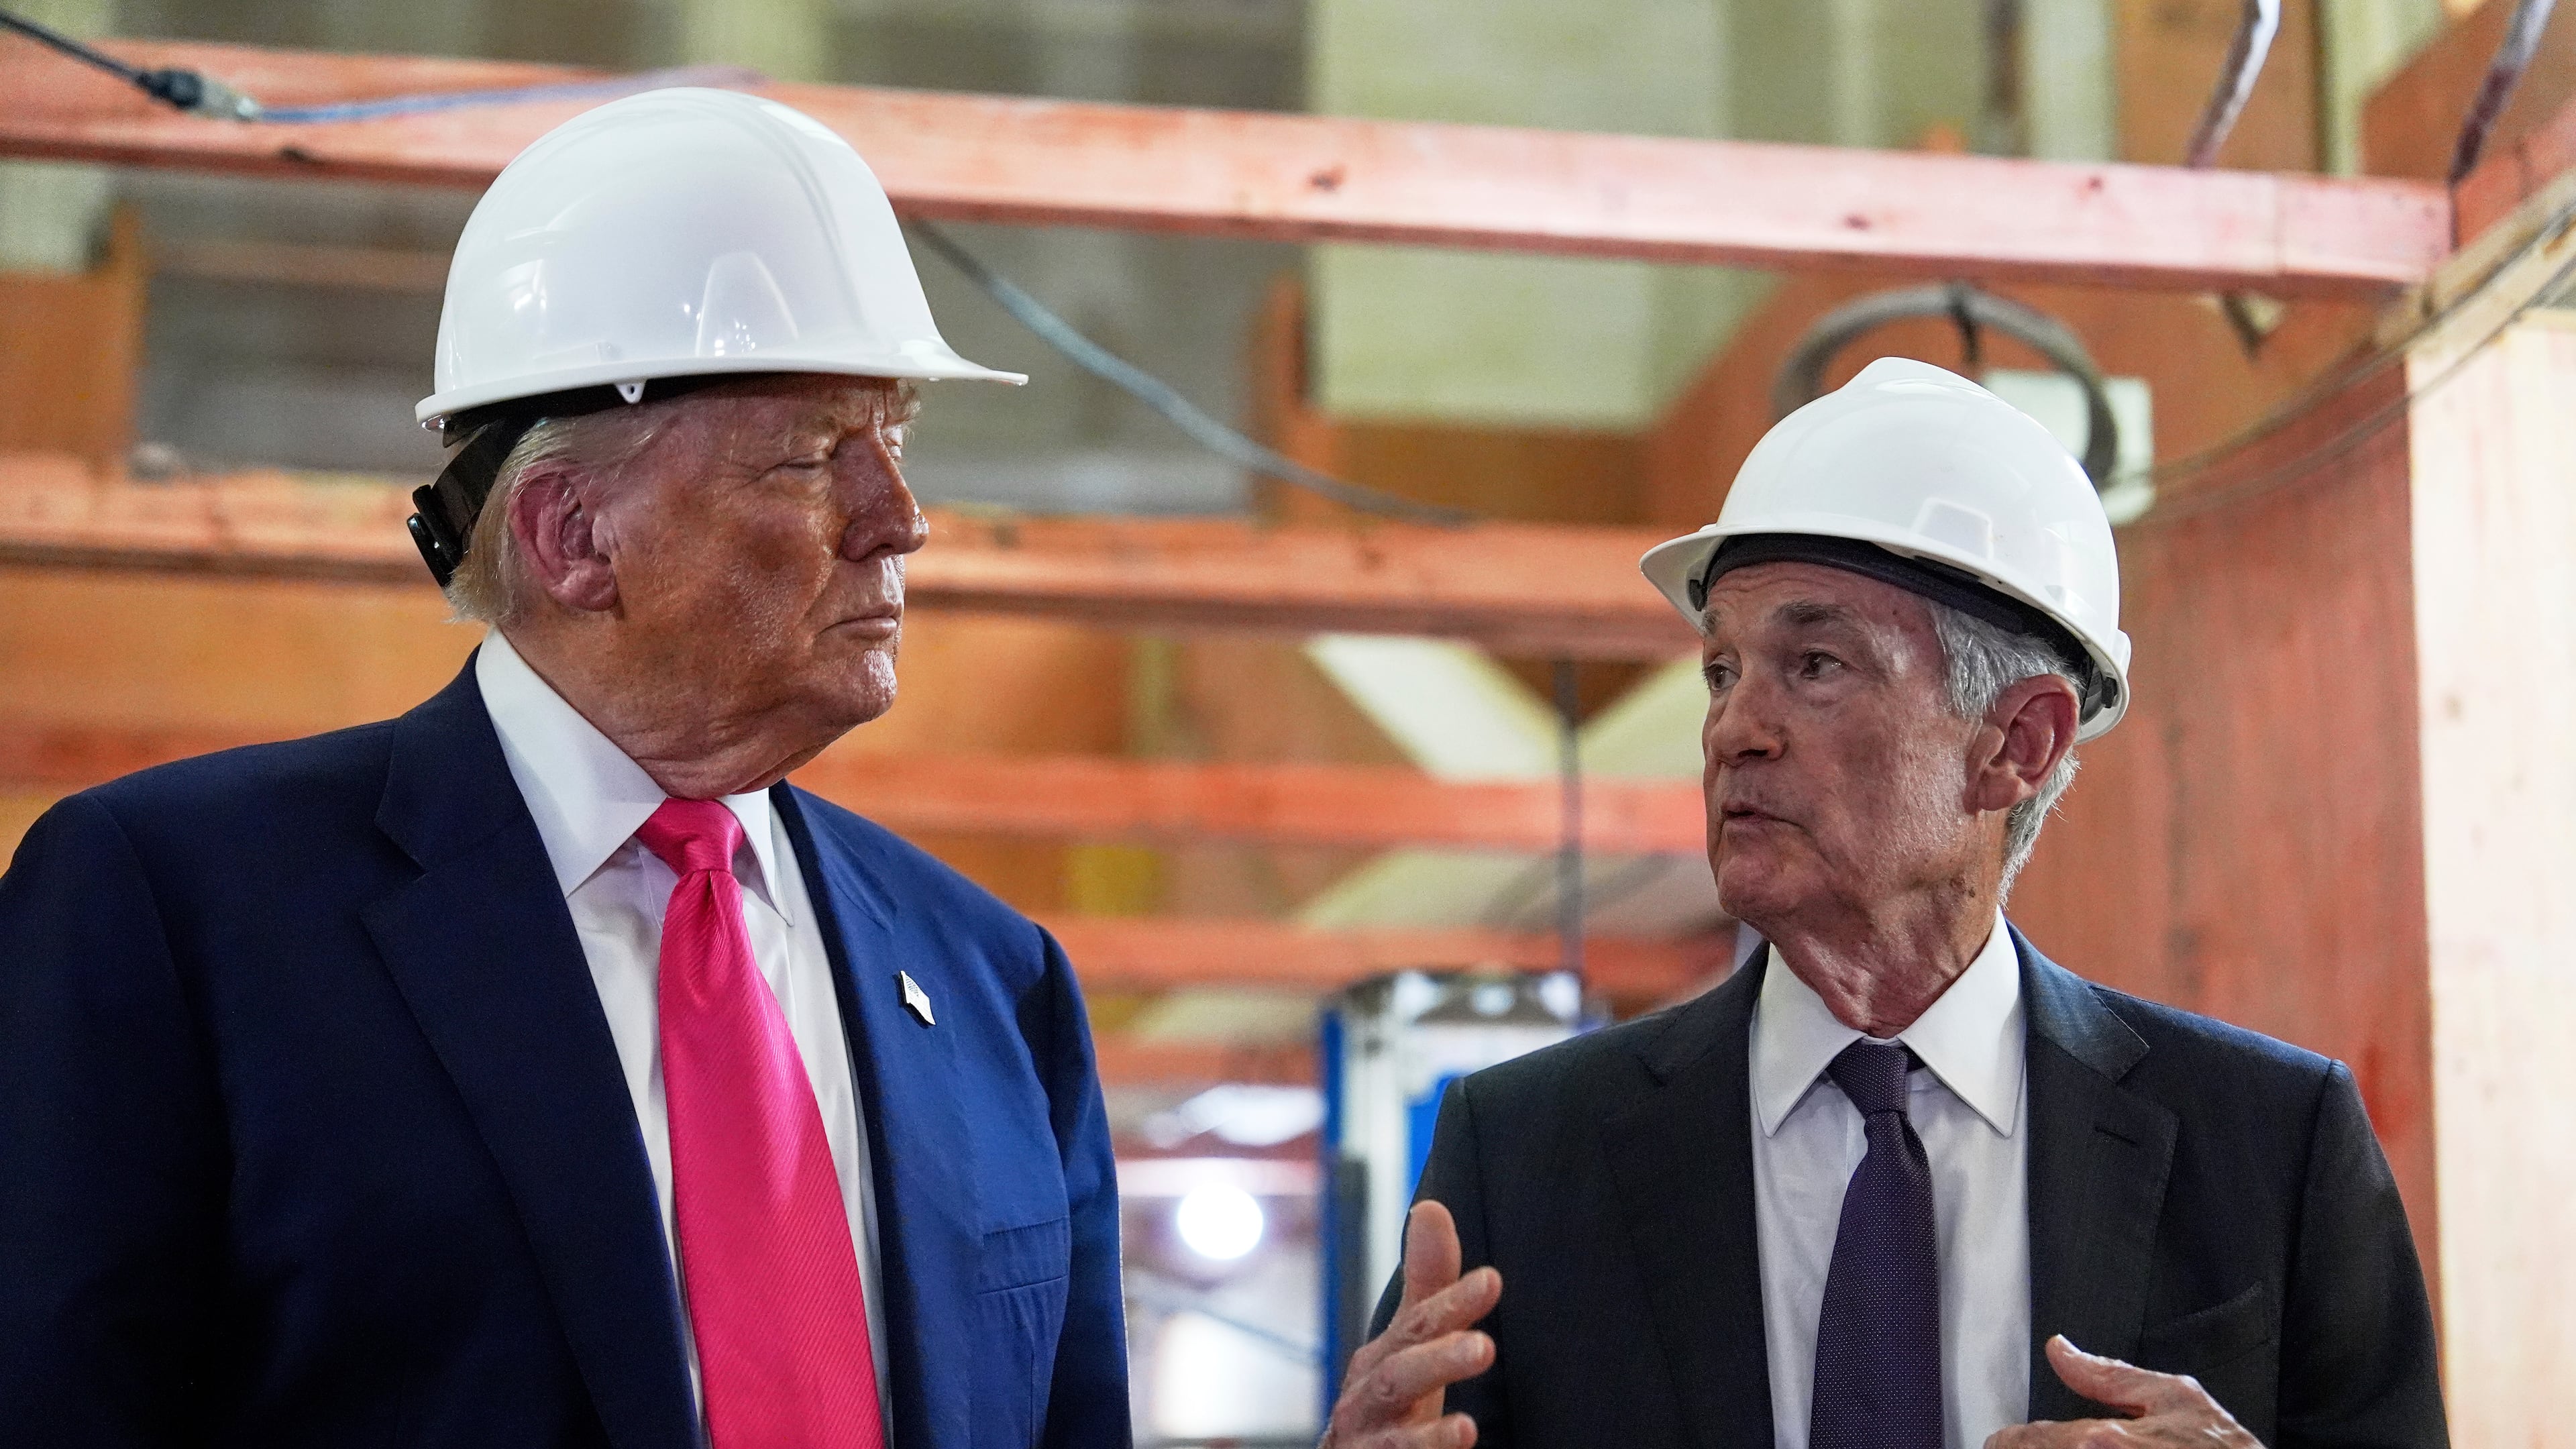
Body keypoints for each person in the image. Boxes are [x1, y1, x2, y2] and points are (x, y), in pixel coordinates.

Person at [0, 89, 1127, 1449]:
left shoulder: (996, 982)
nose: (904, 521)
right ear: (573, 534)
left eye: (897, 442)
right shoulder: (175, 911)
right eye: (817, 456)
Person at [1321, 358, 2443, 1449]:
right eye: (1722, 670)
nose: (1732, 729)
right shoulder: (1524, 1153)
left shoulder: (2273, 1146)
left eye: (1815, 664)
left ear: (2017, 742)